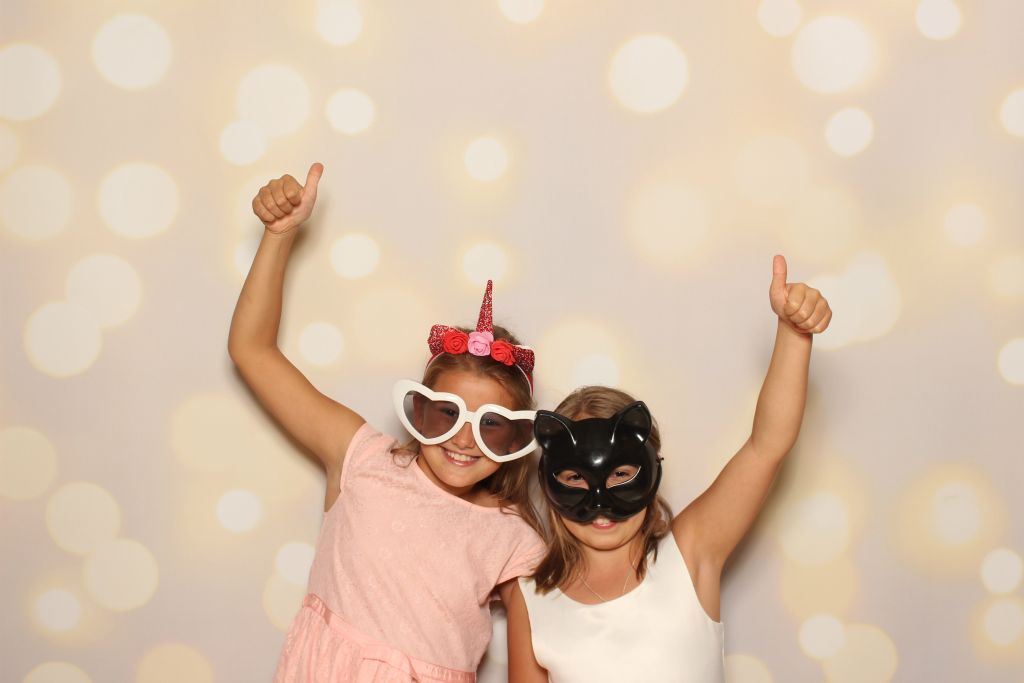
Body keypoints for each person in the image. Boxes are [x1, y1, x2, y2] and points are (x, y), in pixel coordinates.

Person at [228, 163, 546, 682]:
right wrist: (278, 237)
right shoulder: (363, 459)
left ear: (516, 437)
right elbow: (252, 351)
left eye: (490, 425)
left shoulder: (514, 538)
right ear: (419, 410)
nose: (464, 438)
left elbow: (546, 649)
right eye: (446, 413)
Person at [503, 258, 832, 682]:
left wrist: (793, 332)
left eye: (620, 475)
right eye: (576, 479)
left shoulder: (691, 553)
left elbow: (767, 445)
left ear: (649, 470)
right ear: (551, 480)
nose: (600, 503)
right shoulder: (529, 599)